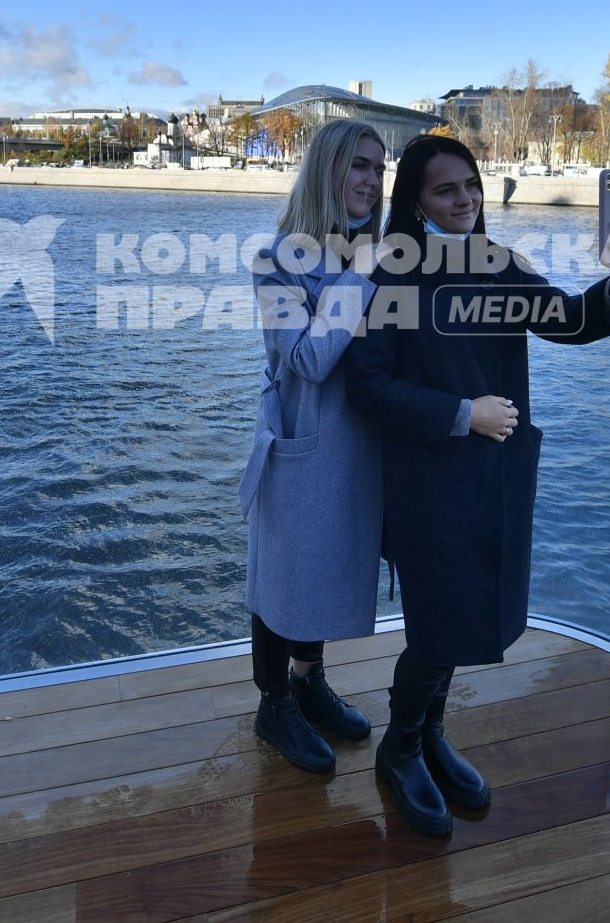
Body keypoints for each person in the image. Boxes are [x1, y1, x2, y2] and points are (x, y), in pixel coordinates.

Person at [345, 133, 610, 836]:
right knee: (438, 625)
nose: (466, 199)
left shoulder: (499, 266)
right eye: (446, 190)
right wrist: (460, 414)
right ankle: (400, 745)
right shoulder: (392, 275)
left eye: (471, 185)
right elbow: (366, 385)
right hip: (430, 486)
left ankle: (428, 735)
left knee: (471, 616)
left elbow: (570, 321)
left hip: (496, 481)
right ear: (415, 202)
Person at [237, 118, 390, 772]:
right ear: (326, 169)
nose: (370, 180)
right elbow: (306, 358)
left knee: (323, 570)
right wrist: (360, 275)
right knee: (281, 577)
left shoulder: (380, 258)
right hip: (299, 443)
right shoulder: (275, 262)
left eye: (379, 169)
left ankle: (309, 682)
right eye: (359, 164)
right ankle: (274, 704)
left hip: (356, 448)